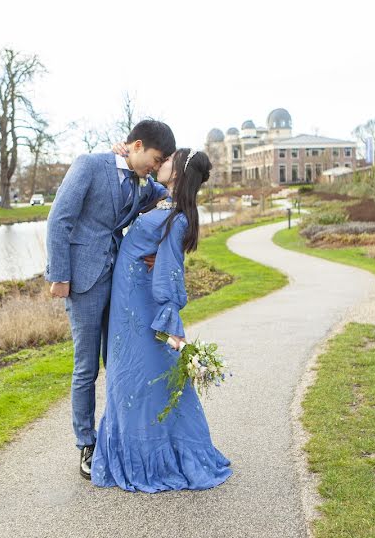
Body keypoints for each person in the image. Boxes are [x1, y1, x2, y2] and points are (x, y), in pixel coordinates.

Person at [91, 148, 232, 492]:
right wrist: (122, 153)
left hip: (141, 304)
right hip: (125, 300)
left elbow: (169, 269)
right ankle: (127, 447)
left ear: (179, 172)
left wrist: (170, 323)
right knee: (126, 375)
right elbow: (137, 176)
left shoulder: (179, 216)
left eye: (168, 160)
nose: (162, 161)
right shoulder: (161, 201)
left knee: (139, 376)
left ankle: (157, 456)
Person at [45, 120, 175, 480]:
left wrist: (158, 250)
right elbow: (59, 219)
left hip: (119, 283)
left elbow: (169, 200)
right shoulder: (89, 165)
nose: (155, 164)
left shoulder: (143, 184)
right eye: (155, 157)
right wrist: (59, 275)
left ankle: (118, 435)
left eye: (161, 161)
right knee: (86, 367)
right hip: (83, 282)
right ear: (136, 145)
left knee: (117, 361)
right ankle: (86, 442)